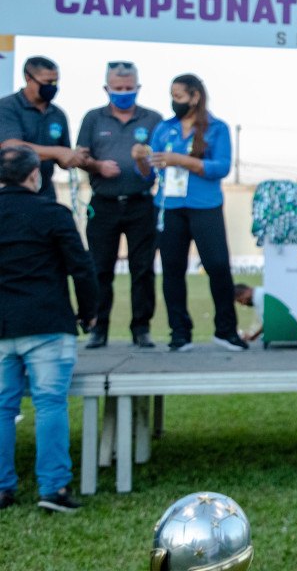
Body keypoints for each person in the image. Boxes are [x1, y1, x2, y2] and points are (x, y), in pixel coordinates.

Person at [0, 146, 97, 513]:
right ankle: (53, 489)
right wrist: (89, 313)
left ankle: (2, 489)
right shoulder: (52, 213)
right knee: (50, 404)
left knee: (2, 407)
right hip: (47, 324)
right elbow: (82, 267)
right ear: (34, 176)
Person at [144, 74, 246, 352]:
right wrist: (140, 159)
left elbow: (220, 167)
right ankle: (179, 332)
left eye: (179, 97)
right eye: (172, 96)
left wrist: (182, 160)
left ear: (195, 97)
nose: (174, 102)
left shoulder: (217, 128)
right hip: (169, 207)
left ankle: (225, 331)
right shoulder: (164, 129)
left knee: (218, 266)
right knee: (172, 271)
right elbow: (149, 172)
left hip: (205, 207)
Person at [76, 61, 163, 349]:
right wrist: (97, 166)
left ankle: (141, 329)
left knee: (143, 269)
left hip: (141, 204)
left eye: (129, 88)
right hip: (104, 204)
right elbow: (80, 157)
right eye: (118, 88)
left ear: (138, 88)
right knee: (100, 268)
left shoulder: (153, 119)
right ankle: (98, 328)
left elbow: (160, 161)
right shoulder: (93, 118)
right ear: (106, 88)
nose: (124, 93)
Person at [0, 56, 87, 200]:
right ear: (28, 78)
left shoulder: (58, 114)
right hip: (10, 194)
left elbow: (63, 160)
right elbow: (11, 148)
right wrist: (58, 152)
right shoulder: (7, 107)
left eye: (55, 82)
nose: (52, 86)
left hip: (45, 193)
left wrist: (75, 156)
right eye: (47, 82)